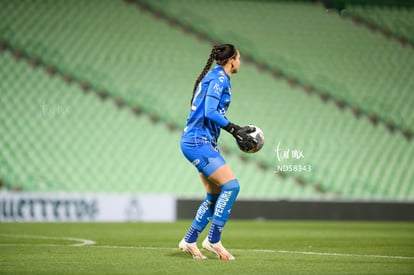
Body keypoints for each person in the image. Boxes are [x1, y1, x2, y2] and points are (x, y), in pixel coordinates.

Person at [178, 44, 257, 260]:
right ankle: (213, 240)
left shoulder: (215, 77)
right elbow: (210, 111)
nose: (240, 62)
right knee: (231, 186)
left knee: (213, 196)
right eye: (239, 58)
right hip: (198, 142)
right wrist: (234, 129)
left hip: (201, 141)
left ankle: (189, 239)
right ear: (232, 60)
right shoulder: (219, 79)